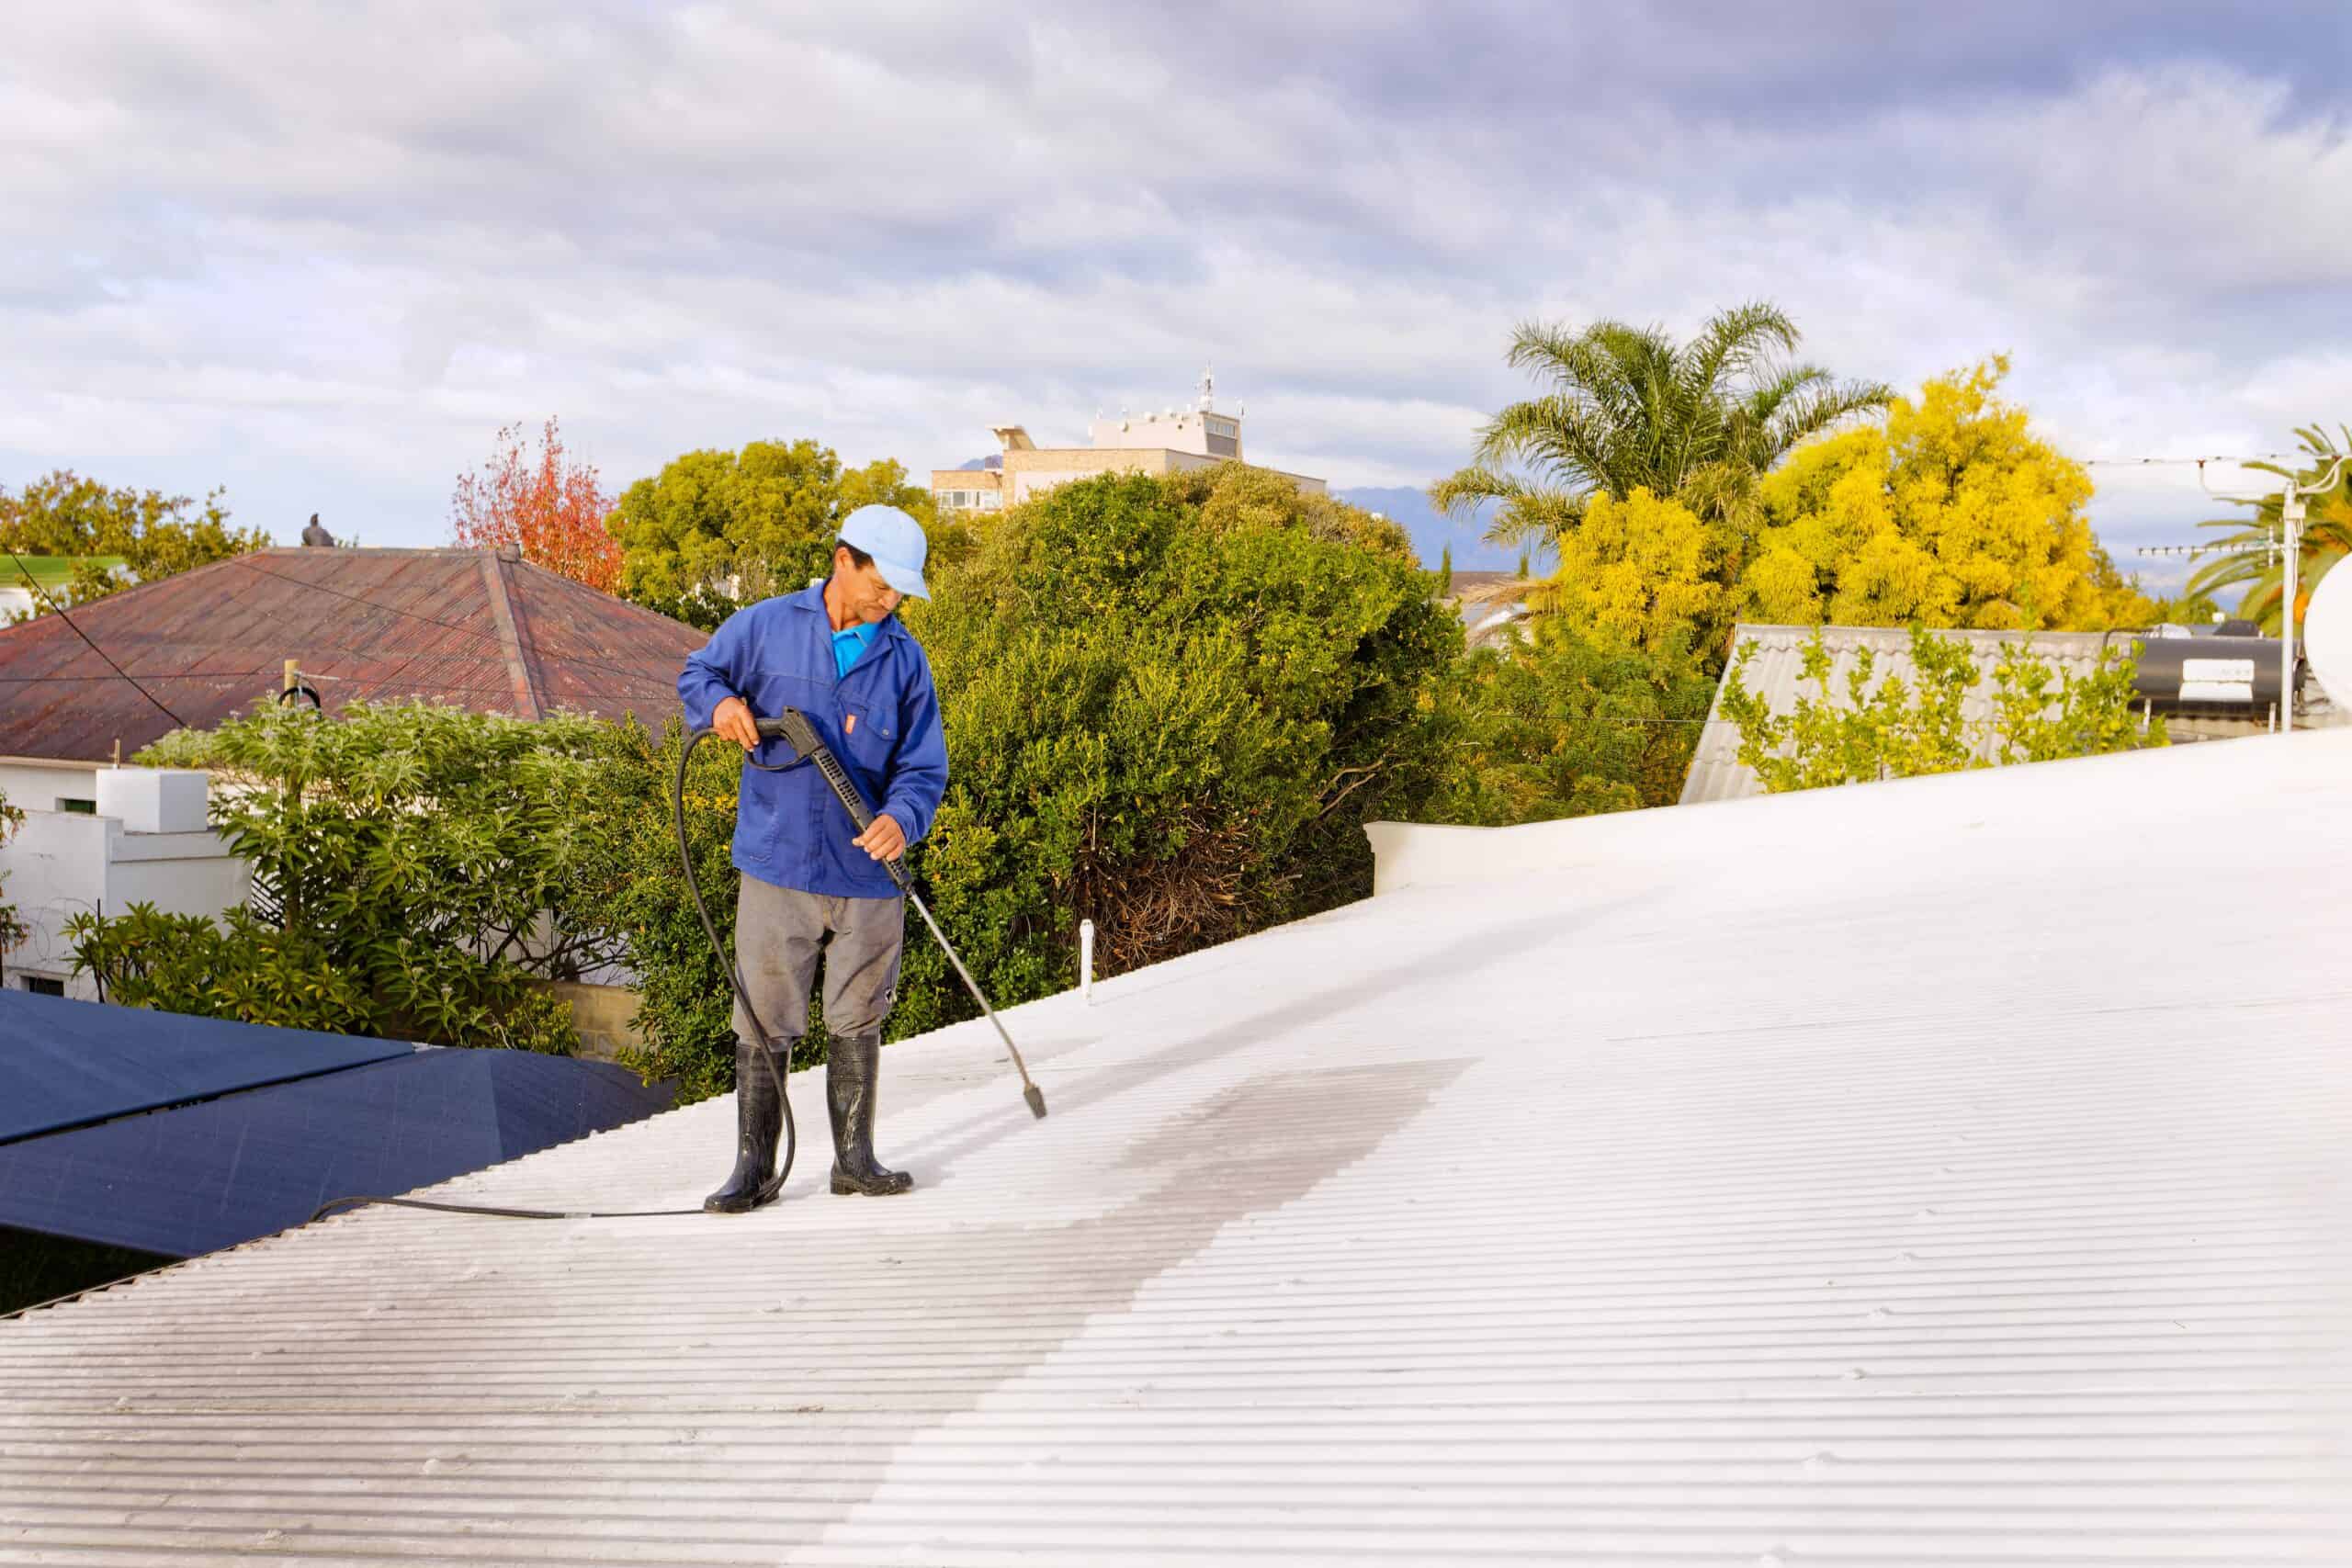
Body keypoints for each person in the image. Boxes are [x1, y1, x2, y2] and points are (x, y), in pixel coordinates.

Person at [677, 505, 948, 1212]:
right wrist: (720, 705)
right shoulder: (766, 626)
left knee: (859, 1011)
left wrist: (902, 817)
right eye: (881, 585)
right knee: (763, 1014)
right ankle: (753, 1170)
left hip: (867, 873)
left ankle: (854, 1161)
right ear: (842, 560)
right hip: (778, 864)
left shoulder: (906, 659)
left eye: (899, 592)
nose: (889, 603)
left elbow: (924, 769)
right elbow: (698, 673)